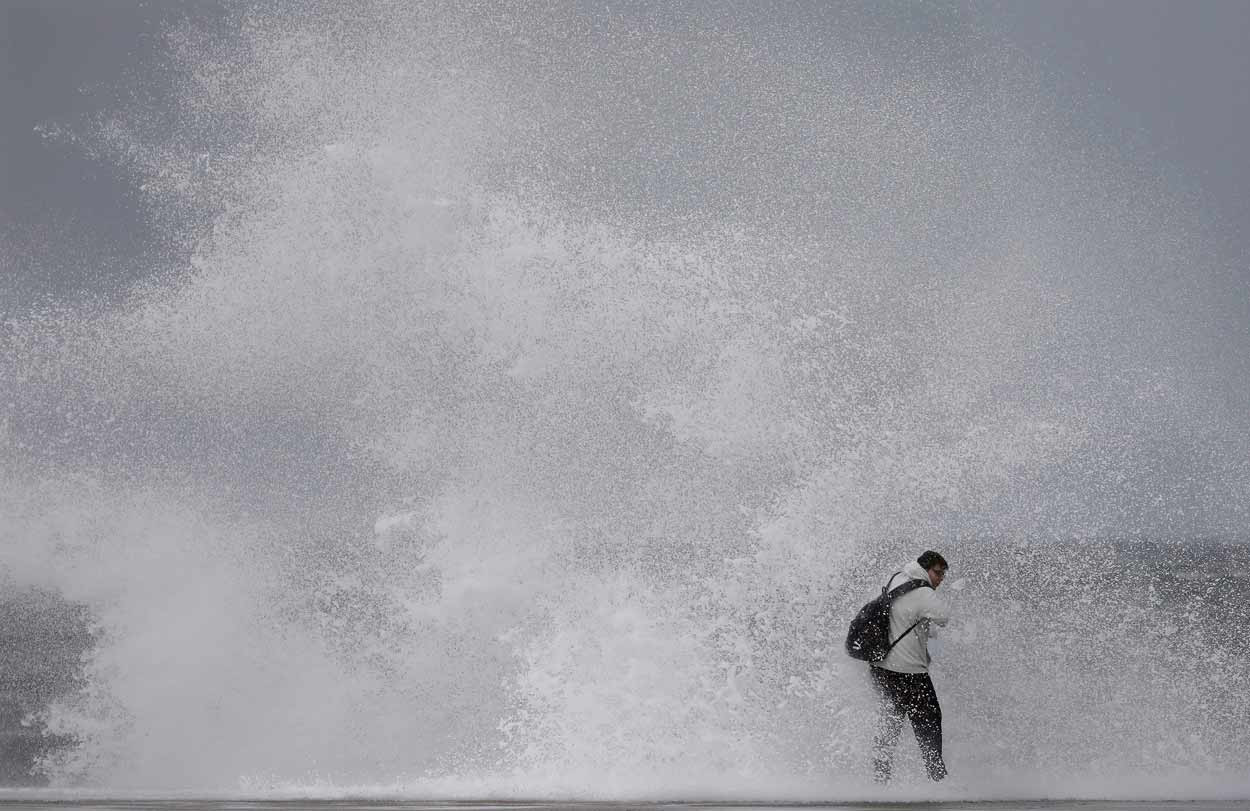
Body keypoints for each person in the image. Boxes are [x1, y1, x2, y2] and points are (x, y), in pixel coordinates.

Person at [869, 550, 950, 784]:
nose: (940, 579)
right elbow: (943, 617)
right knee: (929, 722)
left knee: (891, 720)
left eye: (943, 574)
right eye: (937, 573)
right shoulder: (923, 591)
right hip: (908, 672)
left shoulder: (898, 578)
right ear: (925, 569)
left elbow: (901, 615)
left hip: (881, 667)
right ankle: (938, 780)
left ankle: (878, 780)